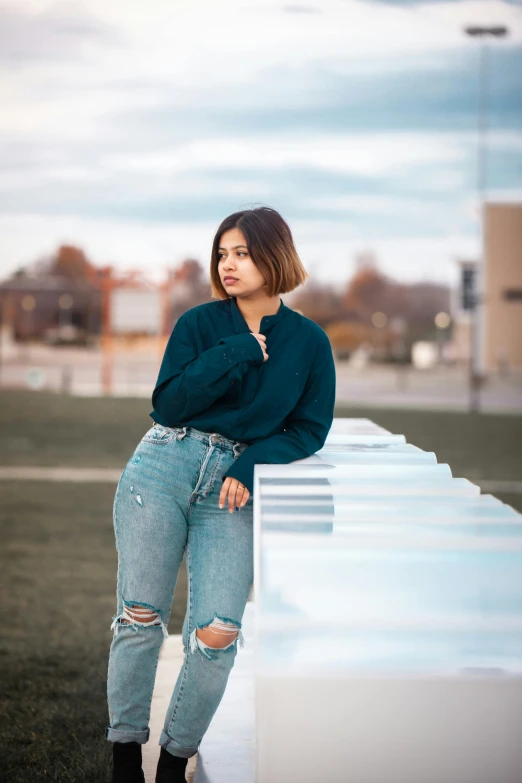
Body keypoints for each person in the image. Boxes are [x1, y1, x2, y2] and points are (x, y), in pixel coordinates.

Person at [105, 206, 337, 782]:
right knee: (140, 618)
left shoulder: (310, 343)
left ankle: (174, 761)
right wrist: (238, 350)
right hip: (162, 466)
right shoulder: (199, 324)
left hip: (233, 486)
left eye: (243, 252)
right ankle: (125, 757)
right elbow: (168, 404)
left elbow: (309, 429)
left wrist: (253, 464)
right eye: (223, 253)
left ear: (274, 256)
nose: (228, 264)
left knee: (218, 632)